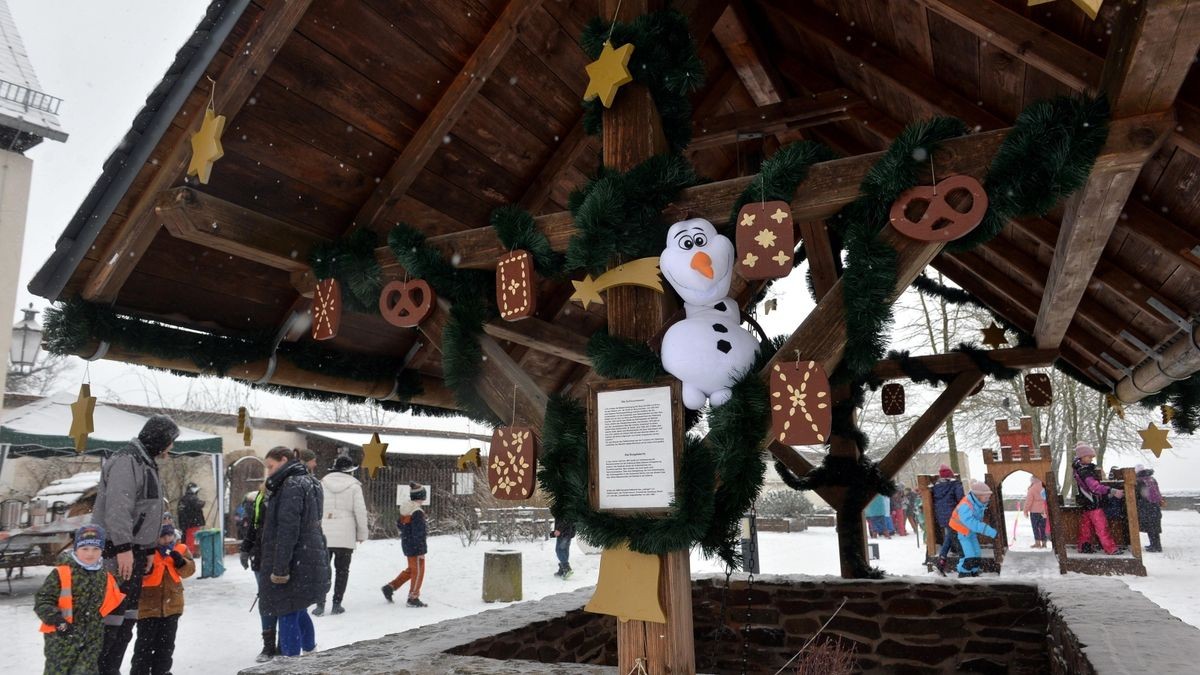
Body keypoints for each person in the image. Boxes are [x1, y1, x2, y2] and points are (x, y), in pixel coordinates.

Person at [92, 414, 178, 674]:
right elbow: (119, 508)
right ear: (158, 438)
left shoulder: (147, 462)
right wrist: (123, 548)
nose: (171, 447)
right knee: (111, 620)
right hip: (117, 552)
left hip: (137, 552)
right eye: (170, 441)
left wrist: (149, 548)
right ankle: (101, 669)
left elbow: (147, 510)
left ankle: (112, 669)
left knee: (127, 620)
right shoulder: (127, 460)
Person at [257, 446, 330, 658]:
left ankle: (290, 664)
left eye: (271, 466)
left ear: (283, 459)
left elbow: (287, 530)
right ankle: (310, 652)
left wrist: (280, 569)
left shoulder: (290, 485)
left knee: (287, 610)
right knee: (298, 608)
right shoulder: (311, 482)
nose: (269, 472)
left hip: (294, 559)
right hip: (309, 556)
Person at [34, 525, 125, 675]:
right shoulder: (62, 572)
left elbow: (112, 593)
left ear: (102, 550)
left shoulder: (103, 574)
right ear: (76, 549)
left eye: (95, 549)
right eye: (85, 549)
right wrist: (56, 619)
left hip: (91, 640)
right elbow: (43, 600)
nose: (90, 554)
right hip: (62, 640)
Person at [130, 524, 195, 675]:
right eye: (162, 536)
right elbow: (136, 574)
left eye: (169, 535)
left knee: (166, 646)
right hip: (148, 607)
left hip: (172, 605)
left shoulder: (180, 549)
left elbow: (189, 571)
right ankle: (140, 672)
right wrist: (144, 569)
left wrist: (181, 563)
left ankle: (162, 671)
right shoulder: (146, 551)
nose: (166, 540)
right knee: (144, 646)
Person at [314, 454, 368, 616]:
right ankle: (337, 603)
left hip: (325, 532)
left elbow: (315, 508)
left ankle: (320, 603)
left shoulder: (321, 484)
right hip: (345, 533)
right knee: (342, 570)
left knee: (323, 570)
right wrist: (362, 533)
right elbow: (360, 512)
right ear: (350, 471)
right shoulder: (354, 487)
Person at [239, 478, 278, 663]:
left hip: (281, 557)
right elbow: (254, 527)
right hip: (261, 556)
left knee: (288, 604)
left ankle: (295, 643)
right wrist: (246, 549)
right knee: (266, 601)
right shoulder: (260, 499)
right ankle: (269, 645)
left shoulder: (287, 496)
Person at [1072, 442, 1124, 555]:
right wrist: (1112, 491)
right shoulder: (1085, 471)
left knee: (1086, 528)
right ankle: (1111, 549)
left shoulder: (1078, 469)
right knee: (1102, 527)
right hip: (1093, 503)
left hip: (1086, 503)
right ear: (1082, 457)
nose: (1091, 459)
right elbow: (1094, 487)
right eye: (1089, 456)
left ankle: (1084, 546)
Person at [382, 483, 428, 607]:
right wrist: (420, 550)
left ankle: (391, 587)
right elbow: (418, 532)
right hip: (416, 547)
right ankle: (413, 597)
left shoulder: (406, 509)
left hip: (407, 543)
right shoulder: (417, 512)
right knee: (418, 571)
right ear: (421, 497)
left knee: (412, 570)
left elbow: (400, 524)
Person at [949, 481, 999, 577]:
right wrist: (990, 531)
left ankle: (973, 572)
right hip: (959, 533)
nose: (988, 499)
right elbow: (971, 522)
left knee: (976, 554)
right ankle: (964, 574)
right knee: (969, 556)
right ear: (978, 496)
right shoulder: (966, 505)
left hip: (969, 533)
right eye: (986, 497)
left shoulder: (978, 504)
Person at [932, 464, 965, 575]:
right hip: (954, 515)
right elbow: (961, 499)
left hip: (942, 515)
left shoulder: (936, 487)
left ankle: (941, 562)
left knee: (950, 537)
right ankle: (964, 562)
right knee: (956, 537)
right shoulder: (955, 484)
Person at [1135, 464, 1164, 552]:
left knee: (1150, 526)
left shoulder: (1139, 481)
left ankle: (1156, 547)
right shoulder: (1151, 479)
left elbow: (1138, 495)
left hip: (1146, 506)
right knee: (1154, 526)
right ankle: (1155, 544)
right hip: (1155, 505)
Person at [177, 482, 206, 556]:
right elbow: (198, 504)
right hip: (192, 523)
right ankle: (189, 555)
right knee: (191, 541)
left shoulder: (182, 499)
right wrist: (202, 503)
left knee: (185, 540)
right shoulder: (192, 497)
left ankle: (185, 554)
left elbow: (180, 512)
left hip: (184, 524)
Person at [1023, 476, 1049, 548]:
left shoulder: (1032, 489)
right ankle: (1044, 543)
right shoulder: (1044, 486)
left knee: (1035, 527)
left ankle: (1037, 543)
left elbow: (1029, 501)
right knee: (1042, 527)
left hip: (1034, 511)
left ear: (1033, 480)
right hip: (1043, 511)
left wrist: (1025, 510)